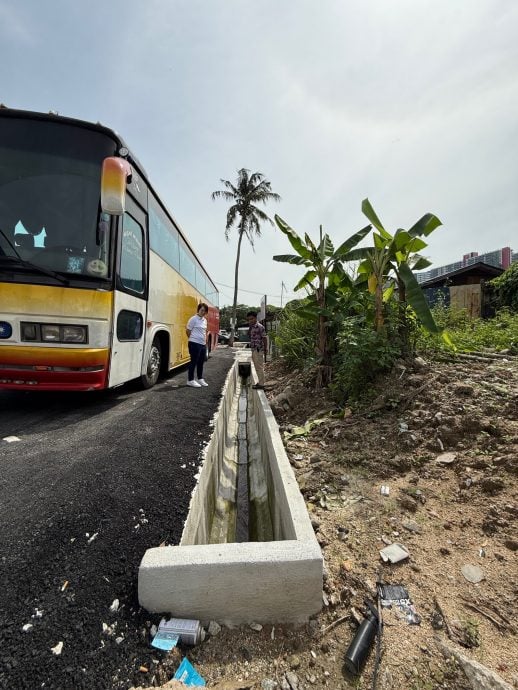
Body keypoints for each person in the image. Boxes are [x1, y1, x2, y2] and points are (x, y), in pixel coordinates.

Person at [186, 303, 209, 388]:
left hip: (202, 344)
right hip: (194, 343)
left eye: (205, 311)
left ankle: (200, 378)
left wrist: (204, 341)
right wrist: (193, 339)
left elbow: (204, 332)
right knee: (193, 362)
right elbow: (188, 331)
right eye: (202, 310)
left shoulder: (205, 320)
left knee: (201, 362)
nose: (203, 312)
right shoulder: (193, 319)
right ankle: (190, 380)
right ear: (198, 310)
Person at [247, 311, 268, 389]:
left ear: (255, 318)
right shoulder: (252, 327)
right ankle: (260, 382)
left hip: (258, 349)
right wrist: (249, 327)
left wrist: (266, 348)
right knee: (256, 366)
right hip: (253, 349)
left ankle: (261, 384)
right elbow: (249, 335)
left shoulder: (260, 326)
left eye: (252, 319)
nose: (250, 321)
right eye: (249, 319)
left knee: (259, 367)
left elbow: (264, 338)